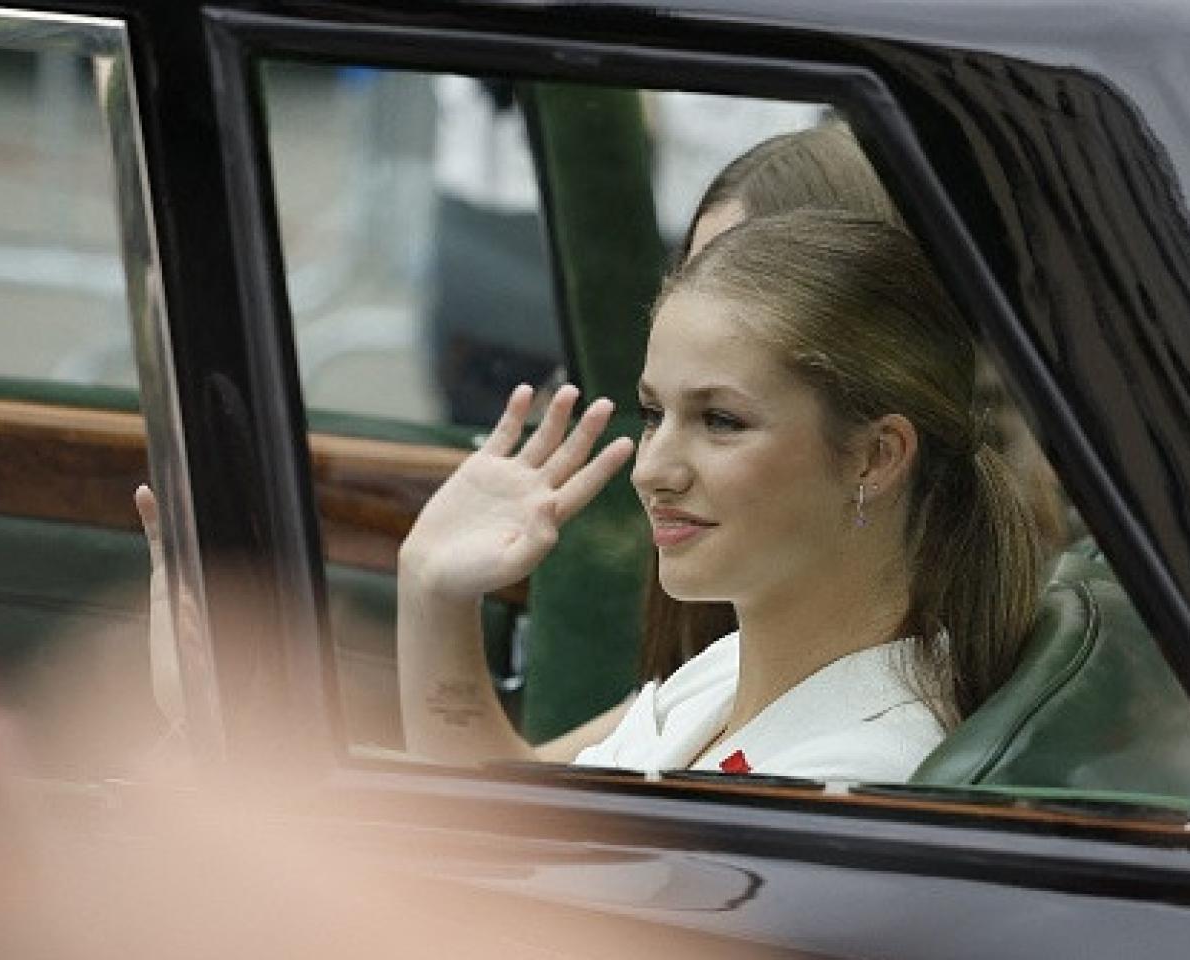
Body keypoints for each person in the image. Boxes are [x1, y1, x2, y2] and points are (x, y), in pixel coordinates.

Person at [399, 208, 1042, 780]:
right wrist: (433, 588)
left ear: (876, 457)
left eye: (721, 422)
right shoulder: (731, 671)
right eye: (653, 415)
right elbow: (509, 823)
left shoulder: (850, 776)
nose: (653, 470)